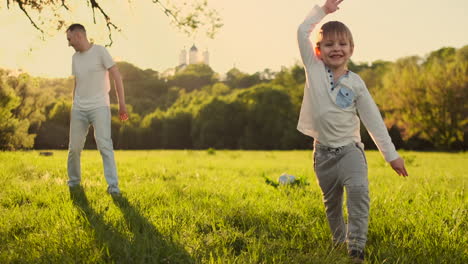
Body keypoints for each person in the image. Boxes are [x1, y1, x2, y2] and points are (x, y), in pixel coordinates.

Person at [296, 0, 408, 262]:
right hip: (322, 154)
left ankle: (356, 246)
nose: (336, 48)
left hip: (350, 150)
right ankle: (339, 240)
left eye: (342, 44)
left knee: (358, 190)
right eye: (329, 44)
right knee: (332, 203)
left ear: (351, 49)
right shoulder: (313, 70)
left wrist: (391, 155)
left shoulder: (356, 84)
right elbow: (302, 31)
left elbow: (373, 121)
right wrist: (323, 10)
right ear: (318, 50)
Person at [66, 24, 129, 195]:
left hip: (99, 106)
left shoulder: (100, 51)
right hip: (79, 108)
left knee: (104, 146)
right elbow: (77, 82)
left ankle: (113, 187)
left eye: (69, 39)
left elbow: (116, 75)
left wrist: (121, 104)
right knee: (74, 148)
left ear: (79, 36)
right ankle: (73, 183)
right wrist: (73, 106)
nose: (69, 43)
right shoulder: (75, 58)